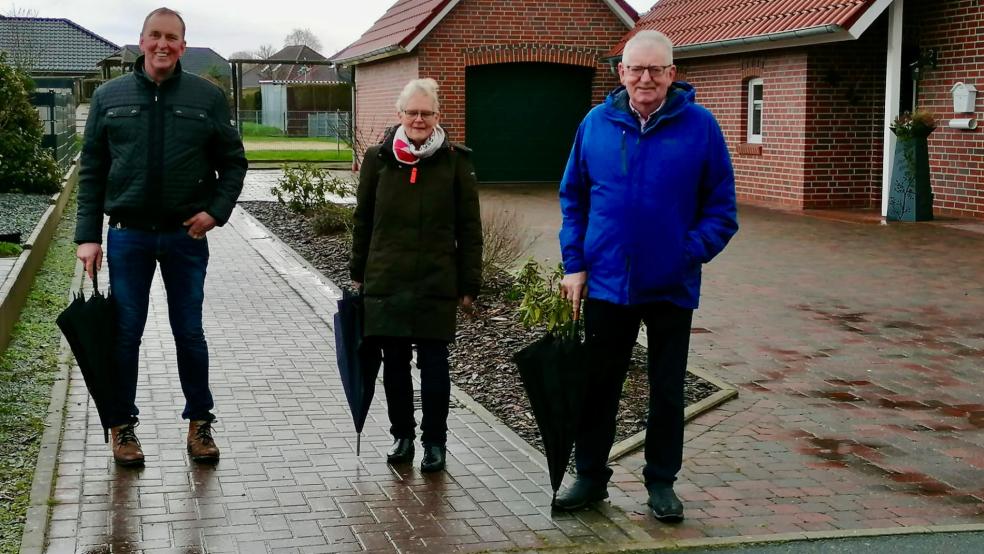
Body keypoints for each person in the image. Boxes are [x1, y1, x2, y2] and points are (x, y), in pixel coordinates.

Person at [554, 30, 739, 521]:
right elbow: (573, 197)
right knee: (599, 387)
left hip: (670, 286)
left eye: (656, 69)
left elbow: (722, 209)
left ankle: (661, 483)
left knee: (666, 389)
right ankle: (590, 477)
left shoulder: (700, 127)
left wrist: (687, 252)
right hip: (607, 284)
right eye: (636, 69)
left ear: (672, 74)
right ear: (621, 72)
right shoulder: (596, 123)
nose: (645, 78)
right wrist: (574, 264)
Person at [74, 7, 247, 466]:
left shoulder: (205, 97)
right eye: (155, 36)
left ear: (183, 46)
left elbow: (233, 162)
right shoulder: (109, 97)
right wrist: (87, 236)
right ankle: (122, 425)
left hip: (184, 238)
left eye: (172, 37)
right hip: (127, 236)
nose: (163, 45)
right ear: (142, 41)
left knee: (188, 331)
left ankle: (199, 422)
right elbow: (91, 171)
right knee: (125, 333)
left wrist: (215, 211)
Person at [350, 78, 483, 473]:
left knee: (435, 363)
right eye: (413, 113)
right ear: (400, 115)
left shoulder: (456, 162)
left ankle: (435, 442)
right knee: (393, 364)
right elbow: (363, 221)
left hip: (435, 280)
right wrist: (358, 274)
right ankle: (403, 436)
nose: (419, 120)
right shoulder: (377, 159)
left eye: (427, 113)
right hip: (386, 279)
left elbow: (469, 227)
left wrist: (469, 283)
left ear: (438, 116)